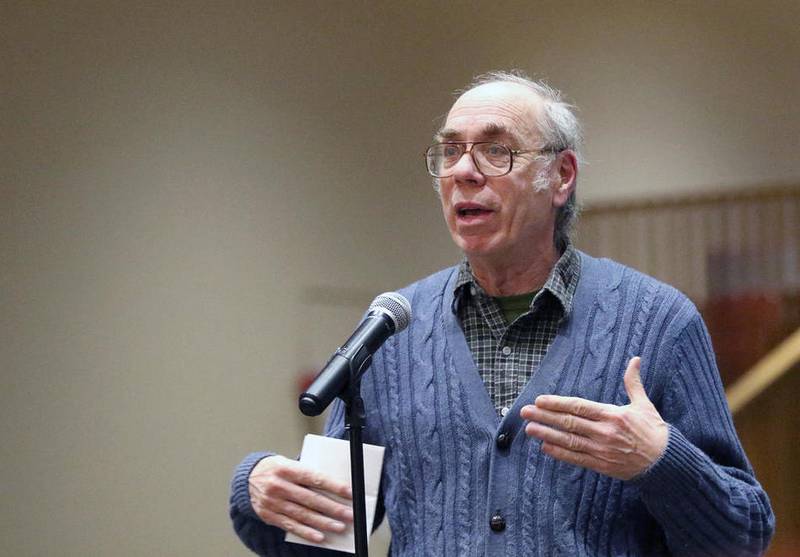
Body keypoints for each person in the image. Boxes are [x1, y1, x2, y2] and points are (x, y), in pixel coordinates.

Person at [229, 71, 775, 556]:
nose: (463, 171)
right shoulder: (390, 329)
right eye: (450, 151)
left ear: (561, 176)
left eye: (496, 151)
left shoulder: (658, 322)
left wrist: (660, 461)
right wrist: (259, 491)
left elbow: (742, 536)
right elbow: (328, 538)